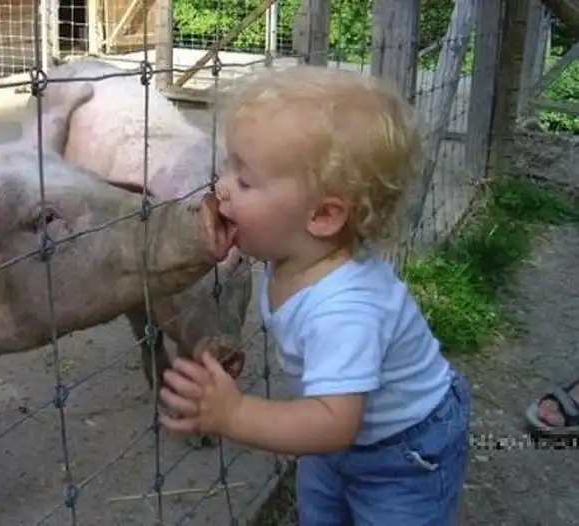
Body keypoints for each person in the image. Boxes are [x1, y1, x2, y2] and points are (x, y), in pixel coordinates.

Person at [158, 65, 472, 525]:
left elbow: (333, 422)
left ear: (323, 217)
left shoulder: (345, 310)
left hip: (404, 452)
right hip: (336, 440)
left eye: (245, 181)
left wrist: (235, 414)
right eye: (229, 165)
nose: (221, 186)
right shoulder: (296, 251)